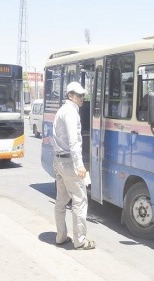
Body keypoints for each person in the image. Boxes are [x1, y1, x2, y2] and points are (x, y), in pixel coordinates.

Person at [52, 81, 96, 250]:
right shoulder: (70, 112)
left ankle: (61, 236)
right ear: (70, 95)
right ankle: (80, 240)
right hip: (69, 162)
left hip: (59, 161)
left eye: (83, 95)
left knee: (61, 201)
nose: (82, 98)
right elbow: (73, 141)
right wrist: (80, 165)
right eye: (78, 95)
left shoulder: (62, 110)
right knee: (80, 199)